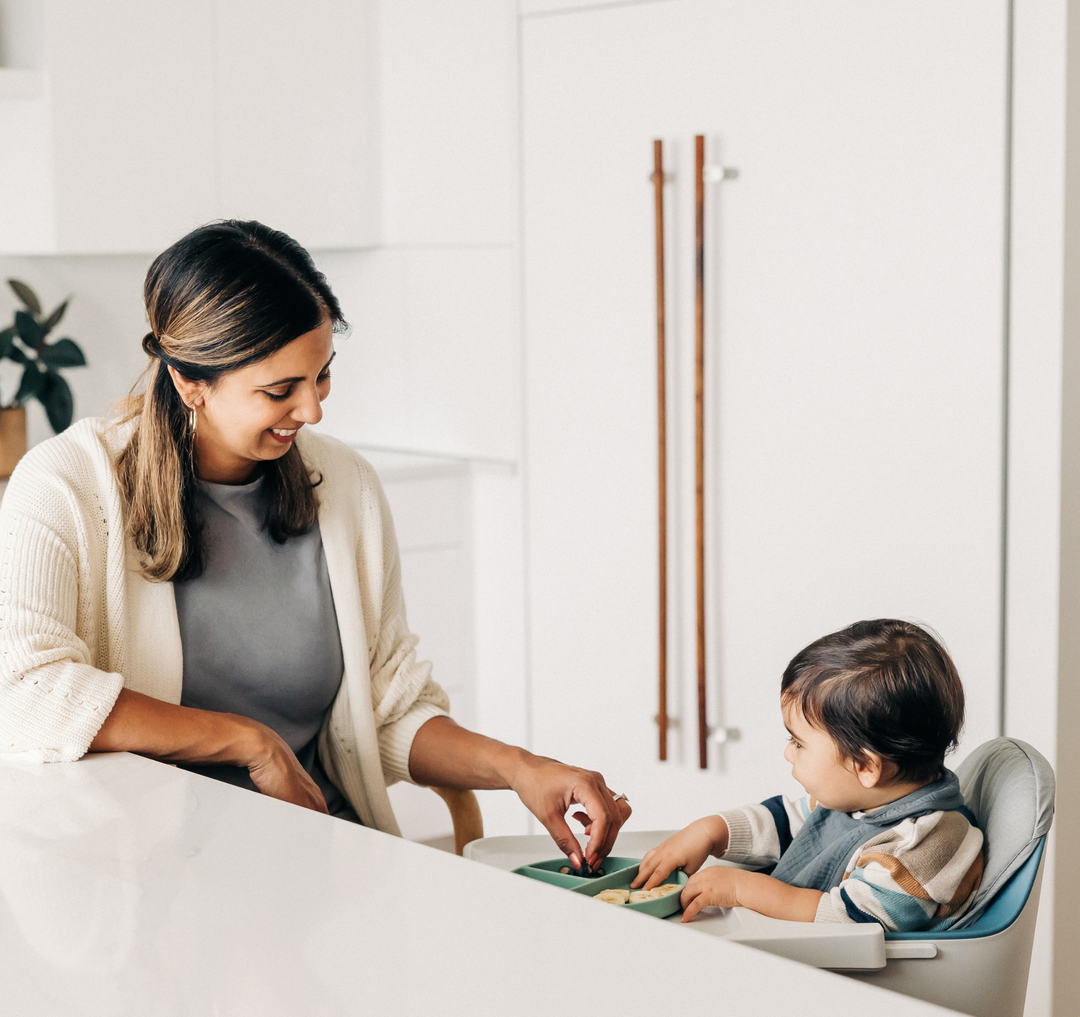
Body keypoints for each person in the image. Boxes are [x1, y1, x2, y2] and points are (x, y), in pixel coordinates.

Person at [0, 219, 630, 869]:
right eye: (280, 390)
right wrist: (247, 742)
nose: (313, 411)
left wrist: (524, 768)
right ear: (190, 382)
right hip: (152, 874)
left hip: (327, 859)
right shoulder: (65, 486)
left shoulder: (346, 487)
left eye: (321, 376)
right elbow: (23, 692)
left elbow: (388, 711)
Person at [634, 619, 984, 929]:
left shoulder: (921, 845)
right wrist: (710, 832)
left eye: (798, 743)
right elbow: (787, 824)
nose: (788, 752)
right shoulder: (862, 800)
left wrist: (741, 889)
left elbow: (849, 920)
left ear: (865, 766)